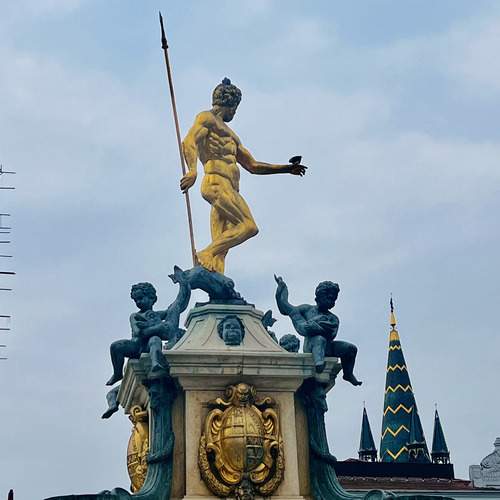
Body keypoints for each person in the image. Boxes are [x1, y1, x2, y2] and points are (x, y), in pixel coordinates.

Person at [180, 78, 307, 274]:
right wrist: (192, 170)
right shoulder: (206, 119)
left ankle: (217, 278)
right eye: (236, 108)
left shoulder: (232, 136)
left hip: (229, 188)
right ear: (231, 104)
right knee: (248, 226)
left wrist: (286, 168)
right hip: (216, 182)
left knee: (223, 246)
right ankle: (205, 253)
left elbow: (252, 165)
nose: (235, 113)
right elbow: (189, 141)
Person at [275, 275, 361, 385]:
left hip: (328, 347)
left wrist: (316, 327)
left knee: (351, 348)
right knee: (319, 339)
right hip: (311, 345)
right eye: (328, 297)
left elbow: (332, 334)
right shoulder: (307, 309)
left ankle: (348, 374)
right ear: (319, 296)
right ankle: (319, 363)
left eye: (333, 299)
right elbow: (286, 308)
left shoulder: (333, 318)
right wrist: (281, 290)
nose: (331, 301)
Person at [106, 275, 190, 386]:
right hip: (136, 346)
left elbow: (177, 306)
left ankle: (156, 363)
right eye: (136, 300)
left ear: (152, 298)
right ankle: (117, 373)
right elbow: (138, 333)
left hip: (149, 345)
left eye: (141, 298)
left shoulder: (158, 314)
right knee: (115, 346)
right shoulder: (135, 316)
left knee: (155, 339)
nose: (138, 302)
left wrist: (184, 285)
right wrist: (158, 328)